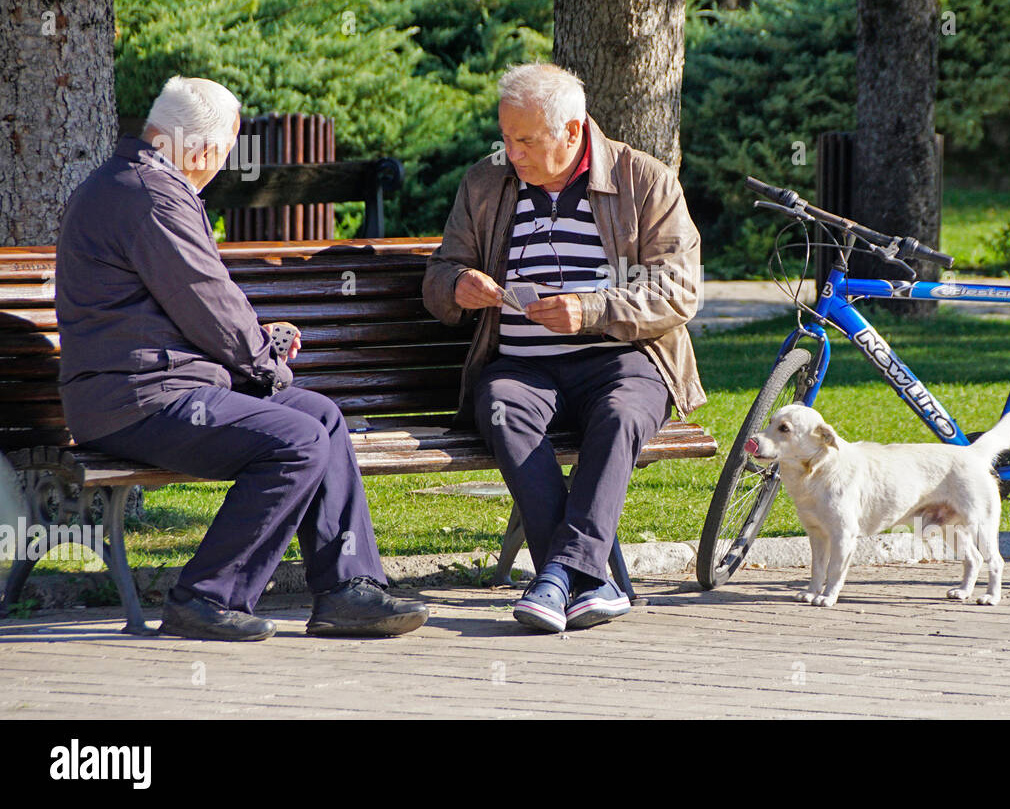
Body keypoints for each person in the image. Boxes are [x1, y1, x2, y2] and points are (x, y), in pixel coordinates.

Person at [55, 76, 428, 642]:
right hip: (137, 400)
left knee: (321, 416)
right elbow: (206, 303)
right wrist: (266, 362)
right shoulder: (152, 195)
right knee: (298, 441)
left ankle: (347, 592)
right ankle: (205, 597)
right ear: (202, 149)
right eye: (223, 156)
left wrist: (259, 340)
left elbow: (190, 304)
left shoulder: (136, 183)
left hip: (160, 386)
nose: (220, 168)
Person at [422, 62, 705, 633]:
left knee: (621, 414)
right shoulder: (487, 181)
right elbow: (439, 275)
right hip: (521, 366)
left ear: (573, 132)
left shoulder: (644, 180)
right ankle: (588, 580)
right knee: (499, 406)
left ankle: (557, 576)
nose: (512, 152)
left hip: (623, 360)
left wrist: (591, 309)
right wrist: (458, 285)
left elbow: (678, 289)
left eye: (526, 140)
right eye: (505, 136)